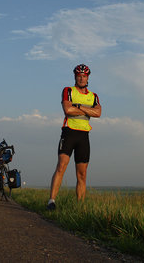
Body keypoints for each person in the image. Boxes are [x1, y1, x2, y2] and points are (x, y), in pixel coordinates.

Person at [47, 64, 102, 210]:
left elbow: (98, 113)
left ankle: (80, 207)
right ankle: (51, 201)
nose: (82, 78)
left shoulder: (93, 96)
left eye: (84, 76)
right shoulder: (68, 91)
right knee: (61, 166)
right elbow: (67, 110)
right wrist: (87, 110)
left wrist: (78, 106)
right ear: (75, 77)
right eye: (79, 76)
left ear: (88, 77)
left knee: (82, 174)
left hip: (84, 136)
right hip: (69, 132)